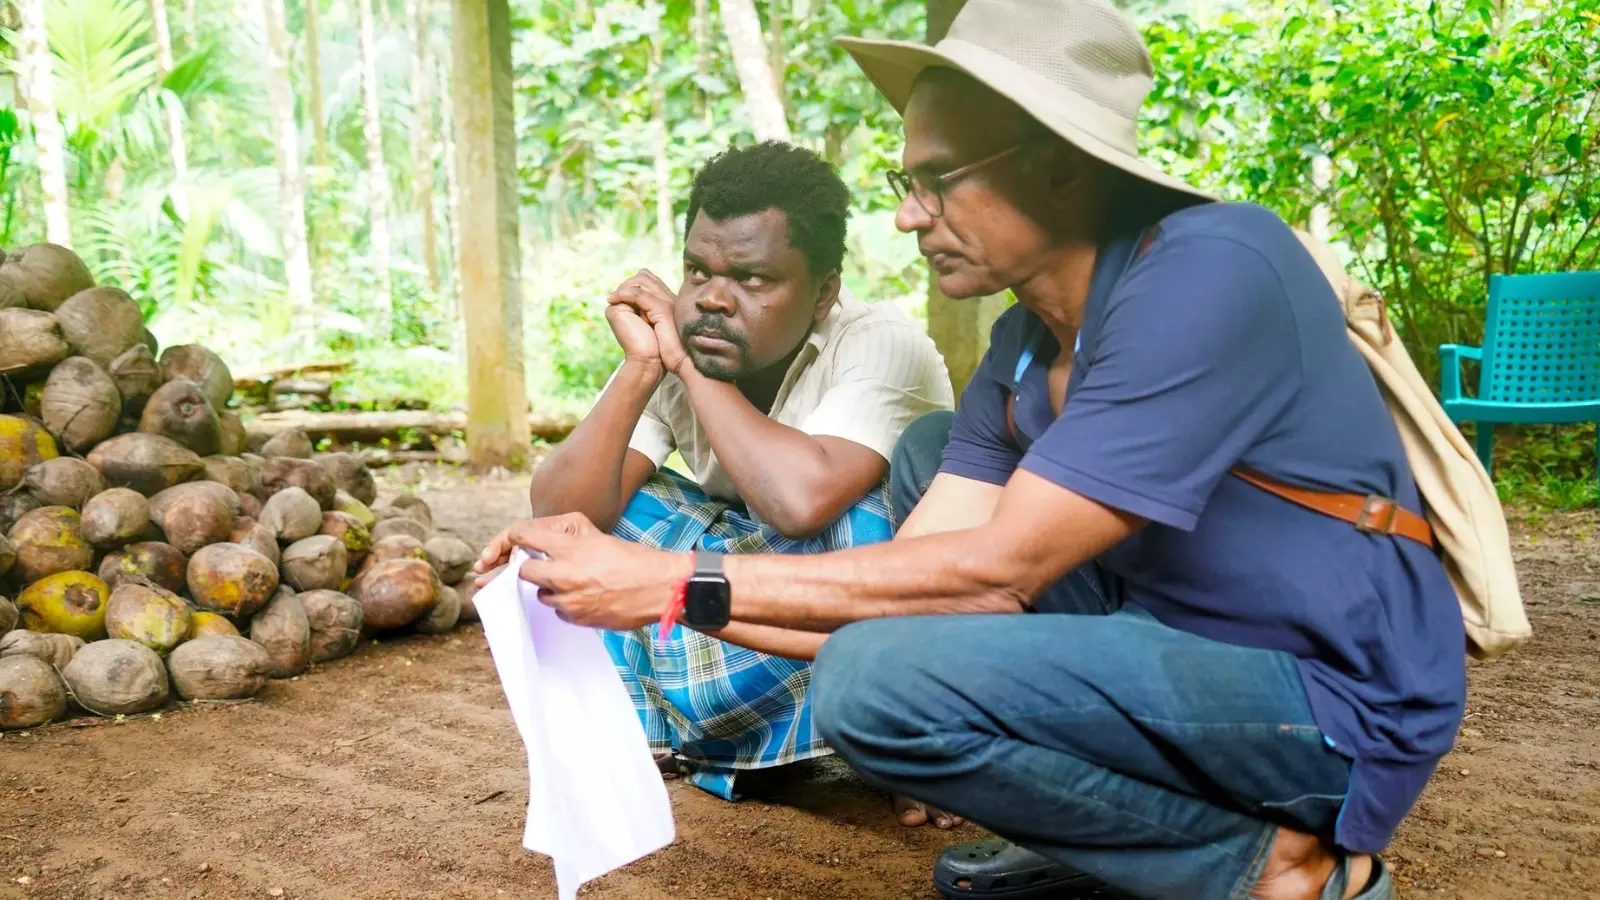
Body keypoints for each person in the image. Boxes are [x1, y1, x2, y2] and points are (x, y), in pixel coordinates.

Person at [476, 2, 1465, 898]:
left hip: (1334, 700)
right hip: (1171, 654)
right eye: (905, 182)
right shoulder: (1023, 345)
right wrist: (620, 580)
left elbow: (1000, 569)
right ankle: (1147, 848)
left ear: (1060, 166)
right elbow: (933, 590)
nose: (909, 216)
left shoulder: (1215, 265)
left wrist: (667, 582)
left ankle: (1274, 868)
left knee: (876, 686)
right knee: (903, 572)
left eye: (936, 180)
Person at [520, 140, 955, 811]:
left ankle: (892, 739)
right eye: (697, 271)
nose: (713, 300)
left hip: (826, 598)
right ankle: (711, 738)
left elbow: (800, 504)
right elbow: (557, 518)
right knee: (606, 517)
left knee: (866, 517)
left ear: (823, 293)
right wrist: (642, 369)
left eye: (752, 279)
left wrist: (689, 369)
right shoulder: (681, 338)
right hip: (733, 597)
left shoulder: (879, 342)